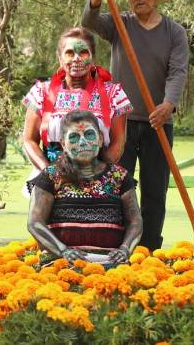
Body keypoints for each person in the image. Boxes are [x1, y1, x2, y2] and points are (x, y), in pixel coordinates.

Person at [82, 0, 188, 251]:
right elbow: (88, 23)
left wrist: (169, 104)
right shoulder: (120, 23)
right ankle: (119, 248)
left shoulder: (174, 33)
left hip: (158, 123)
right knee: (118, 188)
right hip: (122, 124)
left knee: (155, 193)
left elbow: (177, 72)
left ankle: (149, 249)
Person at [21, 27, 132, 198]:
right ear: (60, 58)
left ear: (93, 57)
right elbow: (29, 140)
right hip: (50, 183)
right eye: (70, 53)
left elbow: (118, 143)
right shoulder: (41, 92)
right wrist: (49, 175)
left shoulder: (114, 94)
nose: (77, 59)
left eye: (84, 53)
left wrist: (95, 177)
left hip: (97, 183)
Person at [27, 110, 142, 264]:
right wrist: (63, 250)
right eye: (74, 137)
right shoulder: (51, 176)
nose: (82, 142)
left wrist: (125, 249)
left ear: (100, 139)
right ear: (63, 144)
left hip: (111, 263)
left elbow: (135, 221)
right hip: (60, 264)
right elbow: (34, 222)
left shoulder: (119, 176)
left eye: (89, 135)